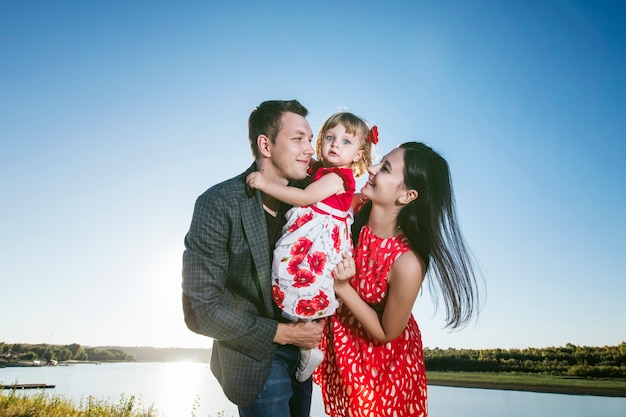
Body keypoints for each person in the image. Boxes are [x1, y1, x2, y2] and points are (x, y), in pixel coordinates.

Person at [314, 142, 482, 417]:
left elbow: (385, 333)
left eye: (385, 169)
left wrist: (342, 288)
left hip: (385, 372)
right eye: (380, 162)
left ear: (406, 195)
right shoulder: (354, 207)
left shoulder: (408, 263)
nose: (371, 168)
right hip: (348, 354)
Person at [181, 99, 326, 417]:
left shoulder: (314, 199)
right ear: (266, 144)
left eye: (310, 140)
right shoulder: (218, 203)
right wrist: (286, 334)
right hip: (254, 356)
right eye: (298, 138)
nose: (310, 150)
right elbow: (201, 311)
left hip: (305, 355)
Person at [246, 112, 376, 382]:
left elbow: (305, 197)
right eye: (330, 137)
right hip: (312, 236)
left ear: (358, 155)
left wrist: (265, 184)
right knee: (297, 284)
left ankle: (307, 346)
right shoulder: (325, 170)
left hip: (316, 241)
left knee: (298, 280)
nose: (335, 144)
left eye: (346, 142)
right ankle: (306, 345)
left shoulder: (338, 177)